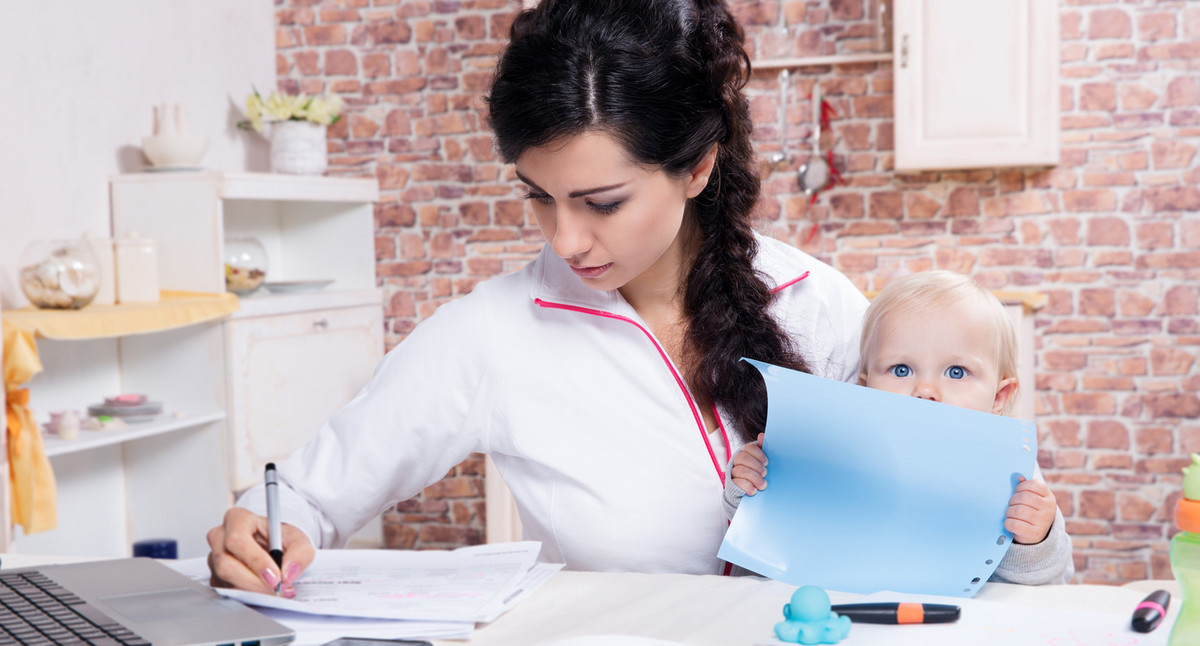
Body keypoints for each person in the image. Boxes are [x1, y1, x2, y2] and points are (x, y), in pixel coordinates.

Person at [206, 0, 870, 597]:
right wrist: (265, 529)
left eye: (603, 204)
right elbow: (307, 498)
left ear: (697, 167)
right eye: (539, 197)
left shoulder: (818, 305)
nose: (568, 240)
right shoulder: (493, 331)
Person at [724, 270, 1074, 584]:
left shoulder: (1012, 469)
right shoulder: (845, 451)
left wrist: (1035, 537)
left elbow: (1050, 580)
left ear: (1000, 396)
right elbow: (776, 545)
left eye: (956, 372)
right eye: (901, 370)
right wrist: (751, 487)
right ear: (865, 386)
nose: (925, 391)